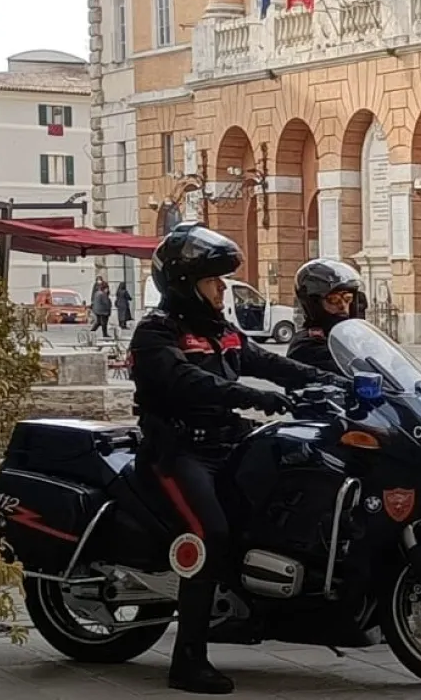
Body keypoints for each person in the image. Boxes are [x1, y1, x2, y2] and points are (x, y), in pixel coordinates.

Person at [129, 223, 340, 695]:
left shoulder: (219, 330)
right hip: (177, 453)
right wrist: (253, 396)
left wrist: (330, 381)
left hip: (227, 443)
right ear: (187, 285)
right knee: (211, 534)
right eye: (214, 281)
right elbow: (188, 382)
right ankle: (187, 661)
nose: (223, 289)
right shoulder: (155, 334)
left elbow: (269, 362)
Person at [286, 259, 363, 375]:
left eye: (348, 299)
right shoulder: (307, 345)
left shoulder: (352, 336)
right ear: (315, 304)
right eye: (334, 300)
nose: (343, 306)